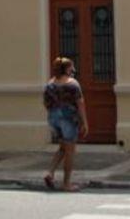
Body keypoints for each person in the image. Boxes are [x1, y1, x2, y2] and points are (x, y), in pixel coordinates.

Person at [42, 56, 88, 192]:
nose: (73, 70)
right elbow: (80, 103)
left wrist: (54, 114)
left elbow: (46, 103)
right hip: (68, 118)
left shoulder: (50, 84)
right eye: (71, 67)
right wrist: (85, 122)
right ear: (67, 69)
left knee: (62, 148)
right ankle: (66, 183)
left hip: (53, 118)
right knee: (70, 151)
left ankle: (49, 173)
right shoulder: (72, 83)